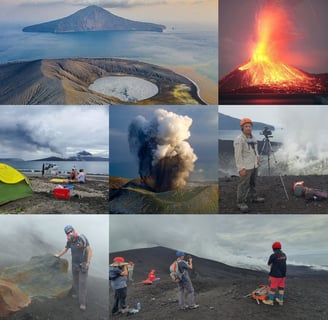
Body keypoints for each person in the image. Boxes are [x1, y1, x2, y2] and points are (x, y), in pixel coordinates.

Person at [55, 225, 92, 311]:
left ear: (74, 230)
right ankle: (76, 293)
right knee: (75, 280)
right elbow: (65, 249)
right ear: (66, 234)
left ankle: (82, 303)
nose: (70, 233)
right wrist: (58, 255)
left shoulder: (82, 238)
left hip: (83, 265)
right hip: (74, 264)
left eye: (71, 231)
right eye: (68, 233)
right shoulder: (70, 241)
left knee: (82, 283)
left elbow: (90, 250)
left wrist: (88, 262)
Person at [233, 118, 264, 213]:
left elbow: (255, 150)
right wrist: (241, 168)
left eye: (250, 126)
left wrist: (257, 158)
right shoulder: (239, 140)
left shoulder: (253, 138)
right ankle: (240, 202)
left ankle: (254, 197)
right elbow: (238, 155)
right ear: (242, 128)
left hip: (254, 165)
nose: (248, 128)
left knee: (253, 183)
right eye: (246, 126)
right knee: (243, 185)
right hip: (246, 167)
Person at [263, 241, 287, 306]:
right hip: (283, 275)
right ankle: (280, 300)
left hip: (275, 275)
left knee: (272, 288)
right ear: (280, 248)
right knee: (281, 287)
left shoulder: (273, 255)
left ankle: (270, 301)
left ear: (273, 248)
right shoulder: (284, 255)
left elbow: (269, 264)